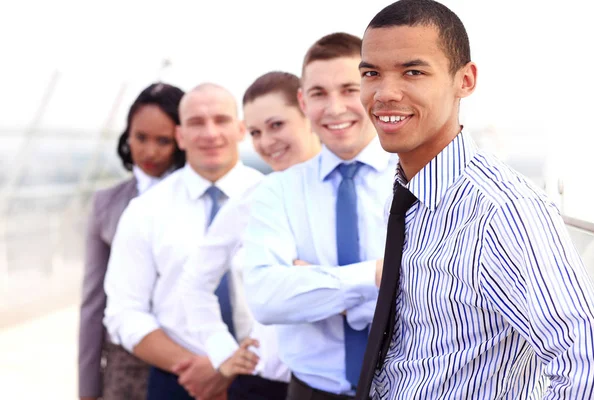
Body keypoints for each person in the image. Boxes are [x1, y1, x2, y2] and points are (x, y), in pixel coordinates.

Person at [355, 1, 594, 399]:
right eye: (371, 73)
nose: (385, 93)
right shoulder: (406, 194)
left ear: (464, 80)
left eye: (413, 72)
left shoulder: (504, 211)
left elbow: (586, 365)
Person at [243, 34, 397, 400]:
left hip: (406, 390)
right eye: (318, 94)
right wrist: (376, 275)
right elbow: (266, 300)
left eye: (348, 89)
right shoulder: (277, 191)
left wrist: (314, 284)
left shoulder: (416, 178)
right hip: (311, 392)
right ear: (302, 101)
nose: (335, 108)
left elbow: (433, 294)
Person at [103, 83, 264, 400]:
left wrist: (232, 365)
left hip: (266, 377)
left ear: (241, 128)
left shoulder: (275, 199)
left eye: (221, 120)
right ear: (180, 136)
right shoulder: (145, 210)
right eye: (195, 122)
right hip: (181, 379)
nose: (209, 132)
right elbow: (124, 312)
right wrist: (202, 369)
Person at [177, 71, 321, 399]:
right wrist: (223, 351)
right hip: (264, 384)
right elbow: (193, 283)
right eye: (255, 132)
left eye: (276, 125)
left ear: (307, 113)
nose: (266, 142)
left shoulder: (367, 190)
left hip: (346, 383)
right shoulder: (254, 197)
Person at [78, 82, 185, 400]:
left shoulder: (201, 200)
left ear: (181, 140)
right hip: (125, 366)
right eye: (140, 138)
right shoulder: (106, 204)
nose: (150, 151)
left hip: (189, 356)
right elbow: (93, 302)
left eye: (163, 140)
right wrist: (87, 389)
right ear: (127, 136)